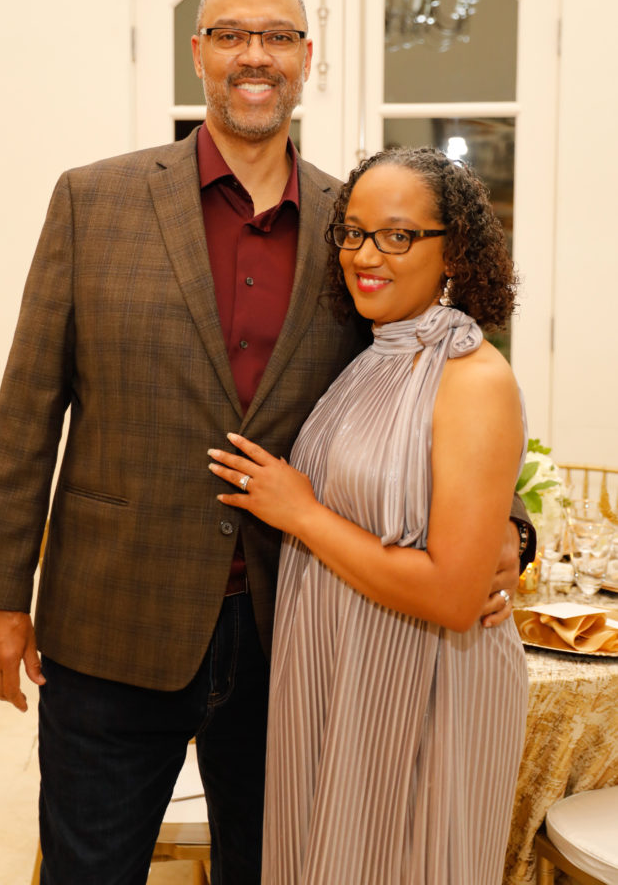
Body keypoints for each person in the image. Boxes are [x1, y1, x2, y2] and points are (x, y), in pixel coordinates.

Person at [0, 0, 526, 885]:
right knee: (87, 867)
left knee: (271, 867)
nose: (253, 56)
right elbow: (27, 409)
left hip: (292, 628)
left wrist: (507, 528)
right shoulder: (93, 200)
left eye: (277, 37)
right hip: (112, 615)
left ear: (306, 59)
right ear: (198, 54)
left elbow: (426, 386)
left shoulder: (356, 226)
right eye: (230, 35)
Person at [208, 146, 529, 884]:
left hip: (422, 685)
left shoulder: (472, 379)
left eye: (397, 235)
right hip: (339, 673)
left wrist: (300, 513)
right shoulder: (371, 355)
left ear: (454, 251)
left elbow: (452, 597)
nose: (364, 255)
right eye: (352, 232)